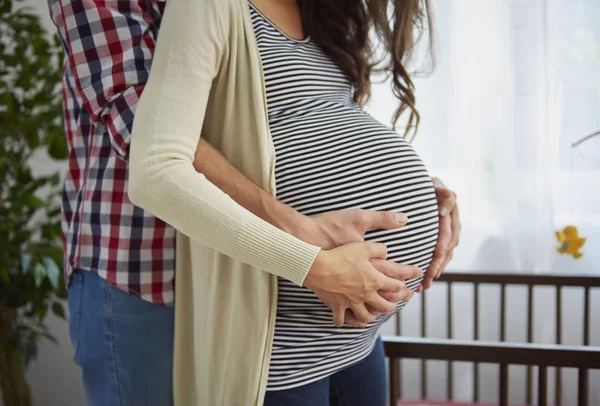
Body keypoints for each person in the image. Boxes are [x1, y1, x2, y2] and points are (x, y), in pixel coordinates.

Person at [48, 0, 460, 405]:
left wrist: (417, 191)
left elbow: (312, 119)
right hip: (146, 265)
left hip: (332, 312)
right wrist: (305, 245)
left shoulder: (318, 11)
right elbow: (142, 128)